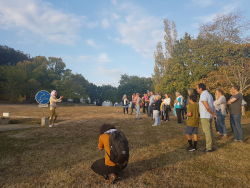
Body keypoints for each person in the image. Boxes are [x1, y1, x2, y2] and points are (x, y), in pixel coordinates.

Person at [196, 83, 216, 152]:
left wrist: (213, 113)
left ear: (201, 89)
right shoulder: (209, 94)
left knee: (207, 132)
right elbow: (212, 105)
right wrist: (212, 113)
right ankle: (211, 145)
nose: (196, 90)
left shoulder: (203, 95)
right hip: (208, 115)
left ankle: (209, 148)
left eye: (197, 88)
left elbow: (207, 106)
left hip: (205, 116)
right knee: (210, 131)